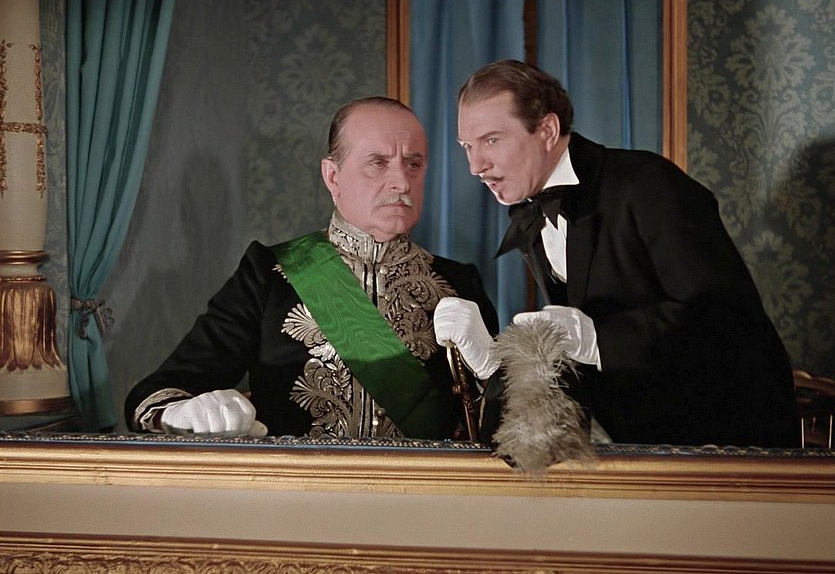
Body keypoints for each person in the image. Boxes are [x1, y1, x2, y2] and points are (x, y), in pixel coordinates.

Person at [434, 59, 799, 448]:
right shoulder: (532, 210)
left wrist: (599, 340)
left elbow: (724, 316)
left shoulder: (647, 183)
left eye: (492, 140)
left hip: (729, 440)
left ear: (547, 130)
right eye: (467, 146)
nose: (475, 165)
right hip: (632, 442)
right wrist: (492, 364)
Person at [125, 96, 498, 441]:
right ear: (333, 176)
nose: (402, 181)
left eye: (413, 164)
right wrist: (182, 413)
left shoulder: (459, 284)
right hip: (295, 488)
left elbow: (502, 431)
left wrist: (491, 374)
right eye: (378, 163)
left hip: (423, 490)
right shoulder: (267, 274)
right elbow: (162, 392)